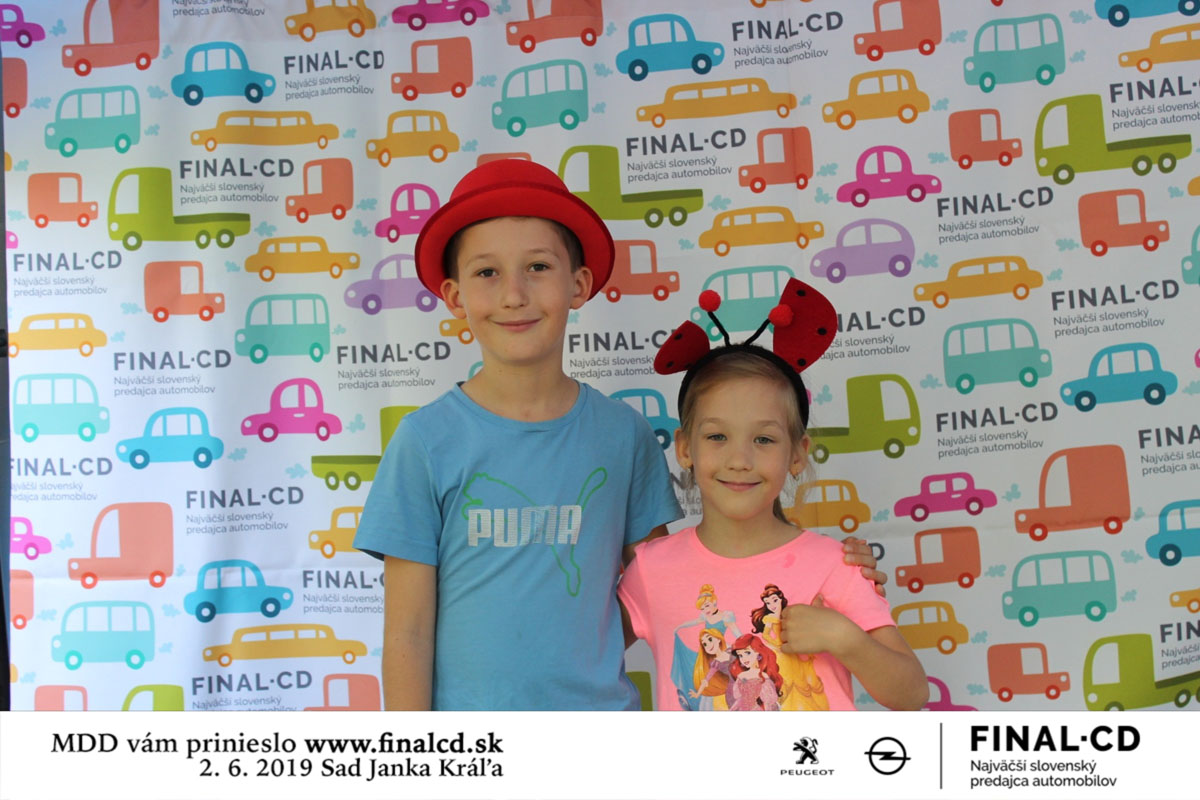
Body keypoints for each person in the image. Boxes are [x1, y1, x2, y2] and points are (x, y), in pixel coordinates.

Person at [353, 159, 886, 710]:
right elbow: (408, 632)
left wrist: (828, 574)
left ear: (578, 284)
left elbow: (675, 585)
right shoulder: (424, 442)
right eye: (487, 272)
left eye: (538, 266)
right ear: (454, 295)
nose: (514, 294)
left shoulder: (623, 435)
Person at [619, 284, 928, 711]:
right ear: (685, 448)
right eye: (717, 436)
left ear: (797, 454)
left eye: (763, 439)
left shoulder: (836, 565)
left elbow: (912, 694)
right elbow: (576, 654)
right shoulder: (651, 570)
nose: (740, 460)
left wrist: (844, 637)